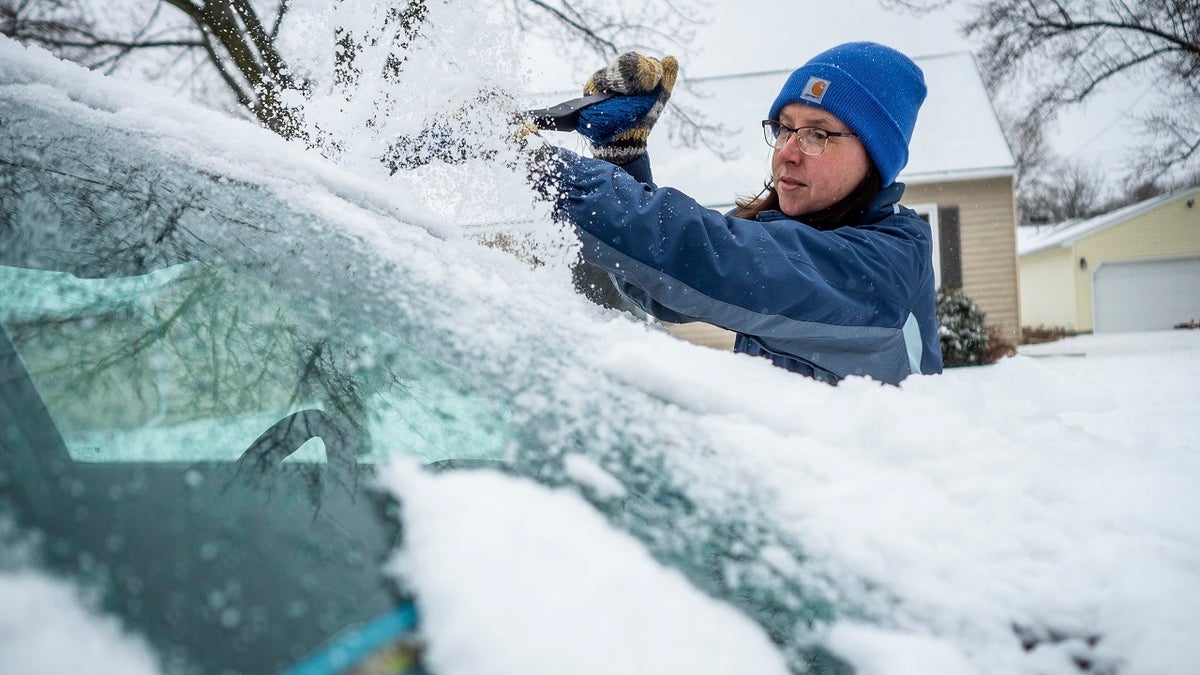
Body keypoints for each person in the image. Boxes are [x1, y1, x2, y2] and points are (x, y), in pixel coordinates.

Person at [536, 42, 943, 385]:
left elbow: (707, 255)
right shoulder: (790, 228)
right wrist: (621, 158)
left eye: (817, 134)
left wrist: (538, 165)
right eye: (784, 128)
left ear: (875, 156)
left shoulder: (882, 268)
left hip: (868, 481)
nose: (786, 152)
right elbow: (663, 283)